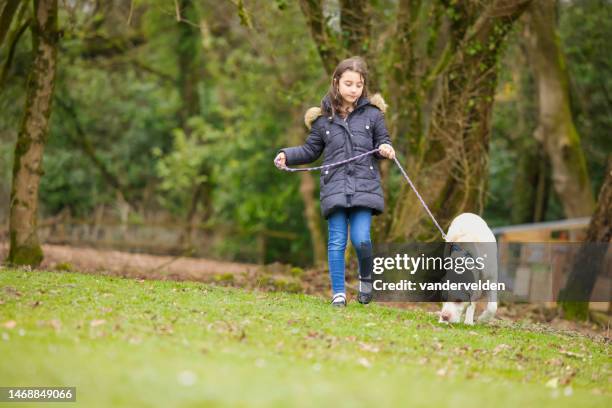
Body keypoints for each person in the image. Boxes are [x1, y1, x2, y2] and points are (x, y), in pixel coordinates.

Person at [274, 56, 395, 307]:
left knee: (362, 239)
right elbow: (310, 150)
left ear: (364, 86)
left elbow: (384, 140)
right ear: (336, 82)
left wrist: (385, 147)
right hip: (335, 188)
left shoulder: (373, 116)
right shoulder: (322, 121)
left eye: (358, 85)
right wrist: (287, 155)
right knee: (337, 241)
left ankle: (366, 280)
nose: (353, 89)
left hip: (364, 186)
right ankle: (338, 293)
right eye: (348, 83)